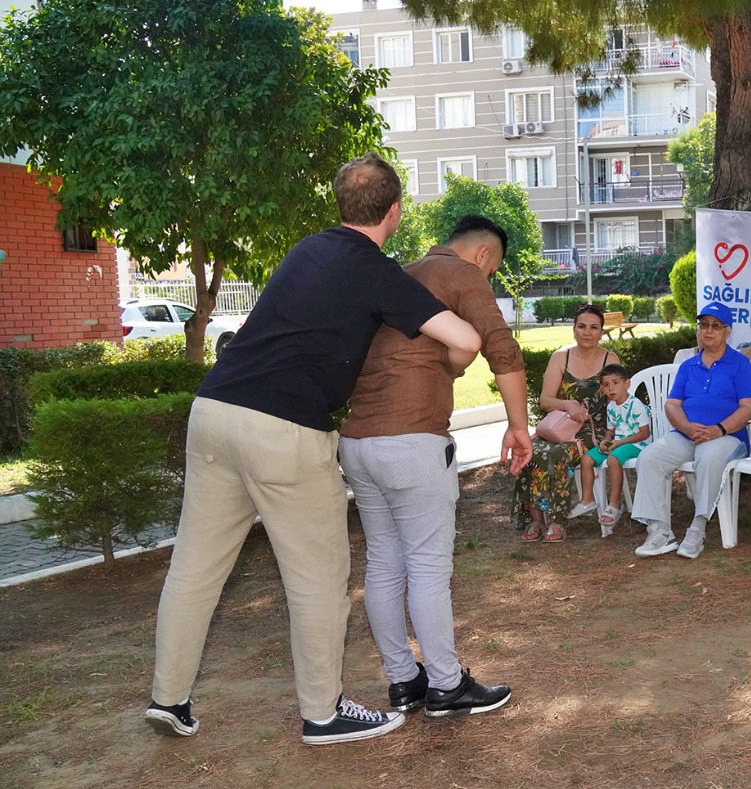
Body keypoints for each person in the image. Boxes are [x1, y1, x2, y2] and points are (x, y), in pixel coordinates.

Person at [142, 153, 483, 746]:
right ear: (395, 211)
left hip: (214, 410)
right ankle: (323, 713)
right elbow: (467, 338)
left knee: (195, 567)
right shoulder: (376, 269)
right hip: (284, 430)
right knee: (319, 578)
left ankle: (169, 698)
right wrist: (447, 368)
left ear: (339, 205)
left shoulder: (305, 250)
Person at [339, 214, 528, 721]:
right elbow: (503, 351)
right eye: (492, 272)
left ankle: (404, 681)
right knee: (426, 568)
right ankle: (446, 686)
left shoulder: (399, 271)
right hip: (413, 441)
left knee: (383, 564)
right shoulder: (463, 273)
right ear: (484, 255)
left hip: (358, 441)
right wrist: (518, 426)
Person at [633, 301, 751, 559]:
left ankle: (698, 527)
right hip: (687, 434)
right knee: (650, 458)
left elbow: (749, 407)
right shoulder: (688, 366)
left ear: (727, 332)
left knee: (709, 456)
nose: (708, 330)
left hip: (728, 436)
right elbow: (672, 404)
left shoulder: (740, 364)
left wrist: (719, 429)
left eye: (715, 326)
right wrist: (687, 427)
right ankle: (660, 530)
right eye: (704, 325)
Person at [513, 303, 617, 543]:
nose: (587, 332)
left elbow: (619, 397)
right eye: (582, 326)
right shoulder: (561, 357)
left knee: (558, 453)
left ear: (601, 331)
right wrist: (568, 405)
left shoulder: (609, 358)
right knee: (529, 450)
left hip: (596, 430)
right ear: (573, 329)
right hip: (561, 426)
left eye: (594, 327)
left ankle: (556, 520)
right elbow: (545, 400)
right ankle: (537, 518)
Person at [572, 364, 651, 532]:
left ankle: (614, 504)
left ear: (627, 384)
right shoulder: (611, 407)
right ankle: (587, 500)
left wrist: (618, 443)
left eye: (615, 383)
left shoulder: (635, 404)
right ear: (602, 389)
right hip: (618, 443)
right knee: (587, 458)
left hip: (637, 444)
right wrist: (605, 441)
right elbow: (610, 431)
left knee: (613, 459)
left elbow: (644, 434)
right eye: (606, 385)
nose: (611, 388)